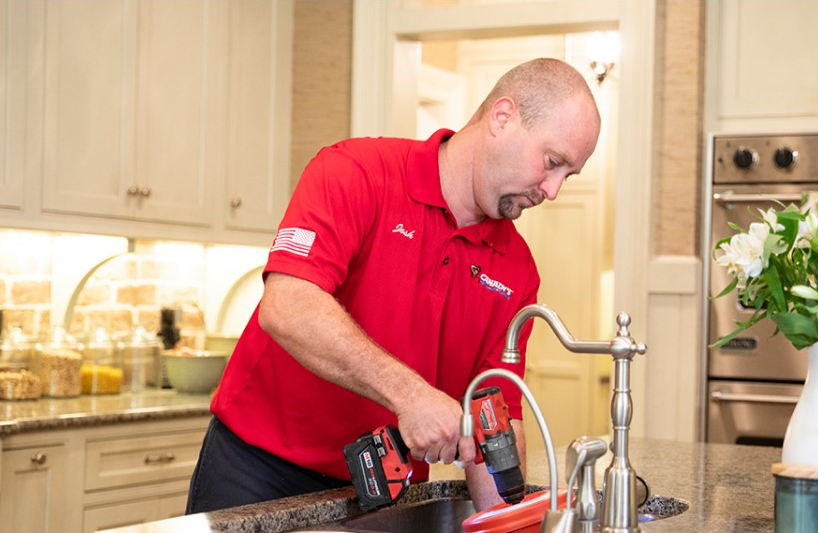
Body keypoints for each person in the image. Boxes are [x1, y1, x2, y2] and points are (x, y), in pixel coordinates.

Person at [185, 57, 602, 515]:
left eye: (568, 174)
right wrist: (412, 396)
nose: (554, 190)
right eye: (552, 162)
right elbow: (287, 304)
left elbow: (495, 412)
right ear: (502, 118)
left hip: (384, 495)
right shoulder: (355, 172)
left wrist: (510, 521)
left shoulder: (517, 269)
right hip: (258, 472)